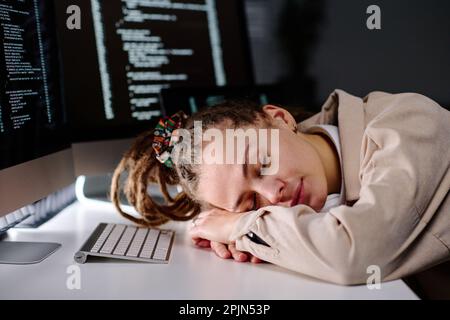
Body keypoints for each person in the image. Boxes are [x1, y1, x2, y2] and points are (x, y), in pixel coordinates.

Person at [111, 89, 450, 285]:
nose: (273, 196)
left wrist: (241, 225)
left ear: (280, 118)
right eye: (250, 203)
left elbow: (352, 253)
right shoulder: (311, 201)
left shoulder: (404, 124)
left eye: (262, 164)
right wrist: (228, 231)